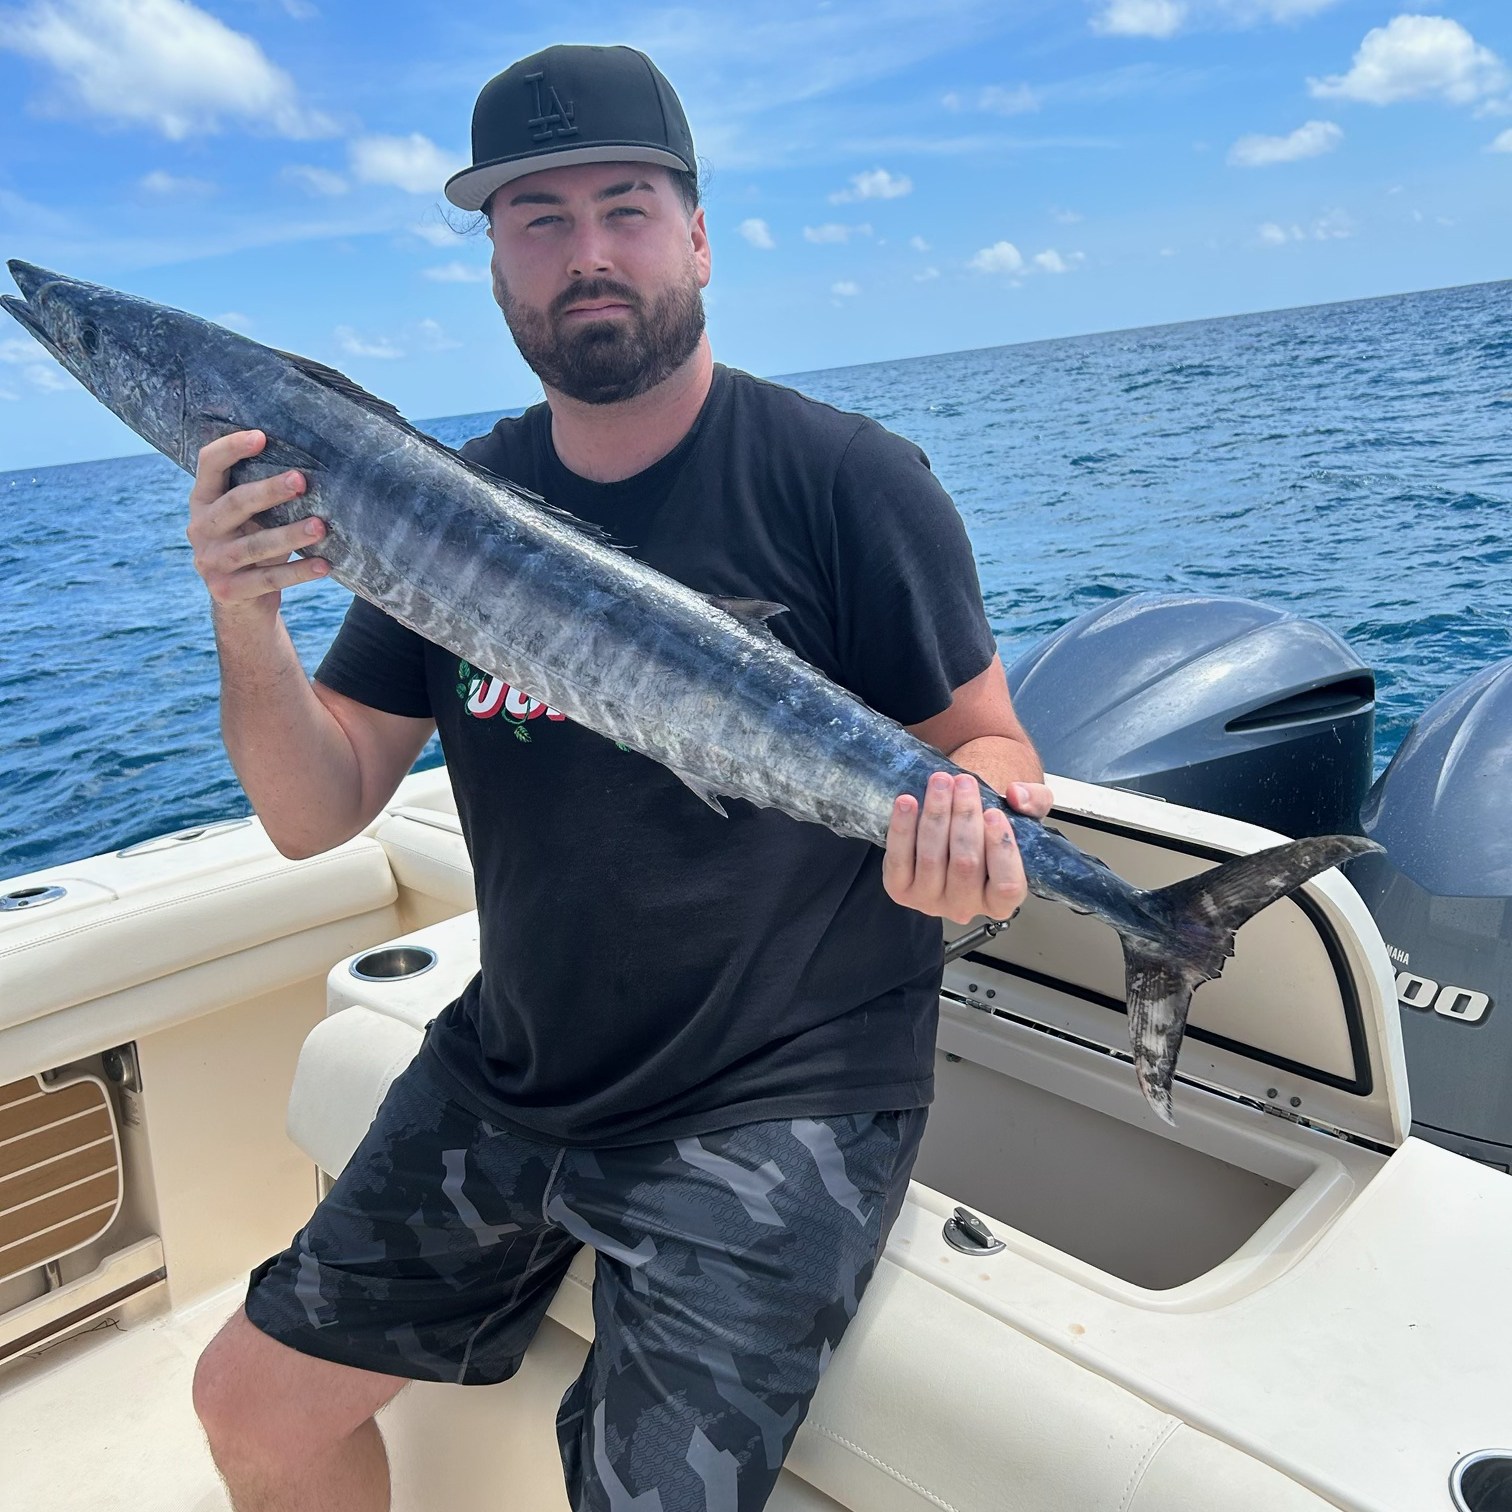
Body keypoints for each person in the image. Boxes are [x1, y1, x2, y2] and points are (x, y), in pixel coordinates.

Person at [189, 42, 1050, 1512]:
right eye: (540, 220)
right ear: (498, 269)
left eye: (627, 206)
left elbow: (989, 742)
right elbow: (312, 809)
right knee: (251, 1408)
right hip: (517, 1064)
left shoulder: (846, 480)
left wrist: (990, 822)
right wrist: (243, 613)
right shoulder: (443, 512)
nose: (588, 254)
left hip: (780, 1087)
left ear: (698, 234)